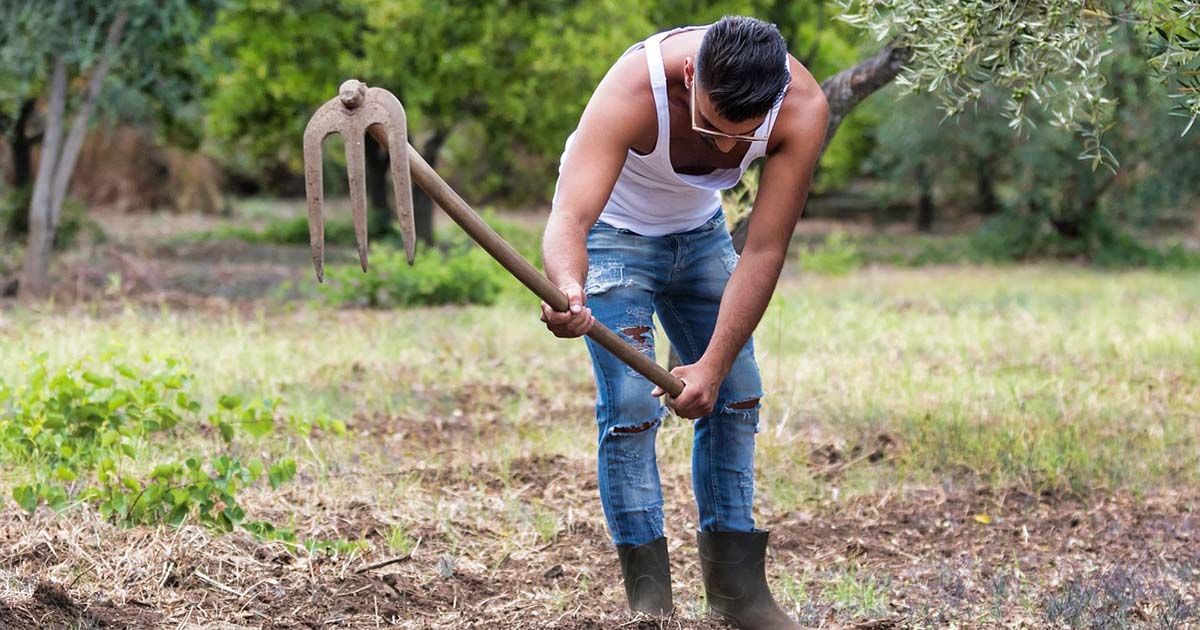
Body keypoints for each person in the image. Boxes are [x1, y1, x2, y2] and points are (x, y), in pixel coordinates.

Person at [540, 15, 827, 629]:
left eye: (742, 136)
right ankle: (652, 608)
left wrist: (713, 366)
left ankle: (738, 595)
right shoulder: (634, 87)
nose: (725, 149)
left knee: (736, 394)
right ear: (691, 74)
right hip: (612, 232)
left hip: (700, 233)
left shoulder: (802, 108)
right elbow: (570, 216)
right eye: (712, 127)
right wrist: (568, 285)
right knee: (631, 408)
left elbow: (765, 249)